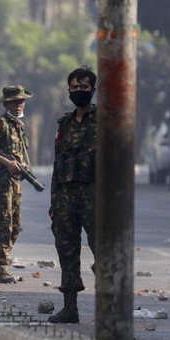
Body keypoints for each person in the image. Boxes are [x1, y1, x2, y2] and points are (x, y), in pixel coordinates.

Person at [48, 67, 97, 324]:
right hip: (66, 198)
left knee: (103, 251)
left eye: (83, 88)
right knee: (67, 250)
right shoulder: (64, 124)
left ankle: (109, 306)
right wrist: (54, 201)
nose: (78, 92)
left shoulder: (103, 120)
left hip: (95, 197)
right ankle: (70, 307)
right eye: (74, 88)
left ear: (93, 90)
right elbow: (58, 164)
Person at [0, 84, 34, 284]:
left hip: (14, 183)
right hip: (0, 183)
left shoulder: (19, 127)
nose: (18, 105)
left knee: (15, 226)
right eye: (14, 102)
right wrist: (7, 163)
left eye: (21, 101)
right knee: (3, 225)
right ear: (6, 104)